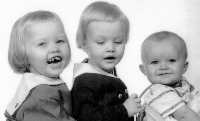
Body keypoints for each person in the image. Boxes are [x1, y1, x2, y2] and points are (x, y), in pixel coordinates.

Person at [71, 1, 143, 121]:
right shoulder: (85, 81)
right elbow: (87, 117)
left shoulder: (105, 74)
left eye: (118, 42)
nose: (111, 48)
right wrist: (124, 110)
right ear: (84, 43)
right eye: (101, 42)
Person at [5, 10, 75, 121]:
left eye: (60, 41)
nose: (54, 48)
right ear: (24, 54)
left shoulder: (44, 81)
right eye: (42, 44)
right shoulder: (40, 98)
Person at [139, 31, 200, 121]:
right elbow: (185, 115)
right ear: (144, 70)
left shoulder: (183, 83)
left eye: (171, 60)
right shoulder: (158, 92)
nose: (163, 67)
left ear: (184, 67)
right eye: (155, 62)